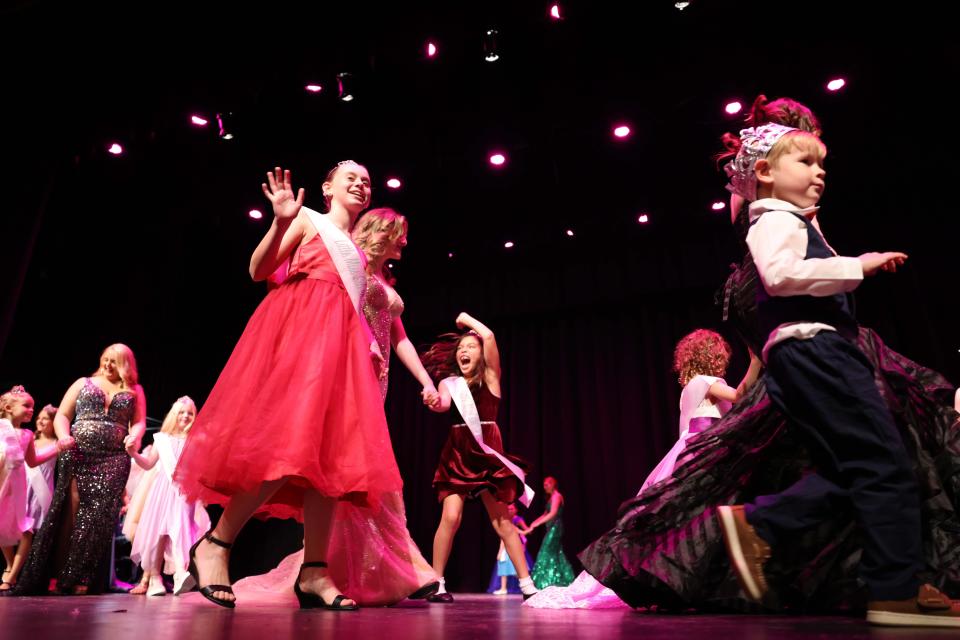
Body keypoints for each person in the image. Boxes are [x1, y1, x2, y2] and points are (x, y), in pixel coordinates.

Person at [174, 164, 403, 610]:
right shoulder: (307, 219)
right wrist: (280, 220)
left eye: (367, 181)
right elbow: (258, 270)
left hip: (340, 352)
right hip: (301, 339)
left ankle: (315, 570)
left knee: (330, 460)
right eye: (350, 177)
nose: (360, 184)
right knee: (285, 446)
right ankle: (216, 544)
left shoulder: (356, 251)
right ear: (327, 188)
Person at [10, 344, 146, 595]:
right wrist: (63, 437)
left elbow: (138, 422)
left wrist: (134, 438)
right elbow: (63, 415)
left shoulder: (134, 390)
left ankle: (83, 576)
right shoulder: (83, 382)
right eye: (104, 360)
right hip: (79, 454)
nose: (106, 365)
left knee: (99, 519)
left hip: (114, 459)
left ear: (125, 364)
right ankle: (63, 575)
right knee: (72, 515)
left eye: (113, 362)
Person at [421, 313, 539, 602]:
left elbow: (487, 336)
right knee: (450, 517)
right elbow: (442, 405)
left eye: (470, 347)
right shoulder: (450, 382)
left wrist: (465, 319)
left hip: (487, 452)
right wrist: (433, 401)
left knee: (502, 522)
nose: (464, 351)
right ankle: (438, 584)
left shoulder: (490, 376)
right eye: (461, 348)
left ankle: (527, 586)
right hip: (458, 452)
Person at [126, 396, 209, 596]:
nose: (185, 416)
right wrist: (133, 454)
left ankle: (180, 571)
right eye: (181, 412)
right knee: (158, 533)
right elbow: (148, 464)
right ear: (174, 415)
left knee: (181, 527)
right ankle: (154, 579)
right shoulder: (161, 439)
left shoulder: (196, 441)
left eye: (190, 413)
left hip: (183, 491)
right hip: (162, 491)